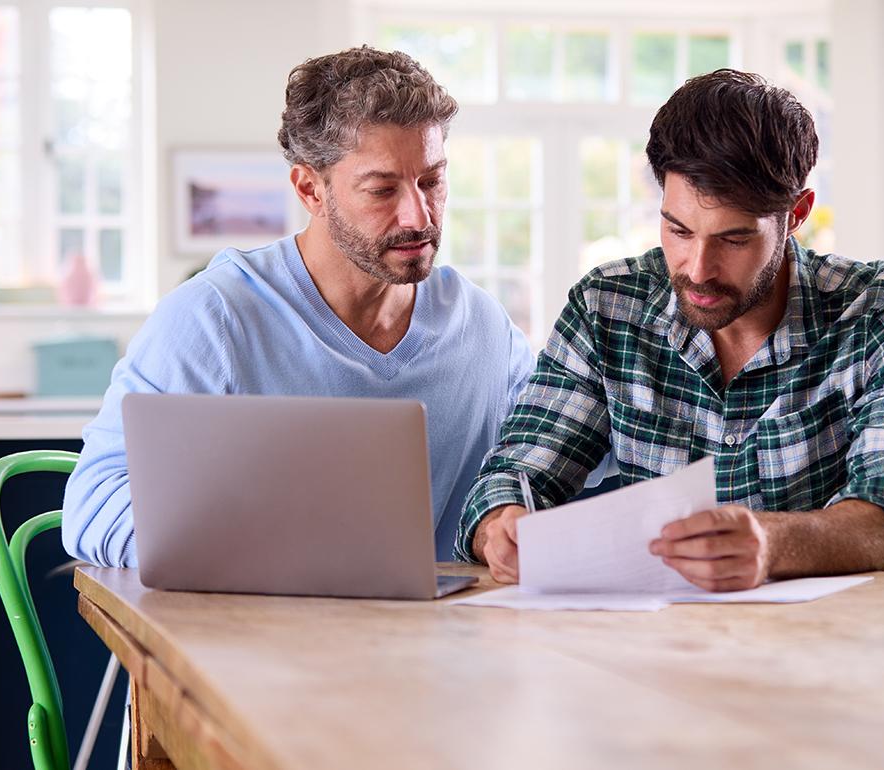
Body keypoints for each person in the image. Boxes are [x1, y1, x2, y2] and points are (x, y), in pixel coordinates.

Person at [456, 69, 884, 591]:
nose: (697, 269)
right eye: (678, 229)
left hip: (851, 647)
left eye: (734, 240)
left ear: (797, 215)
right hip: (666, 646)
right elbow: (516, 473)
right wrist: (502, 525)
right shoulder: (607, 307)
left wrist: (771, 545)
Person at [62, 46, 533, 567]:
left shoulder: (484, 327)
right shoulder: (212, 319)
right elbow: (94, 507)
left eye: (432, 181)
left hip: (449, 638)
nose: (417, 215)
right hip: (265, 635)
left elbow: (548, 458)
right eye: (382, 189)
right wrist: (268, 558)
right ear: (311, 189)